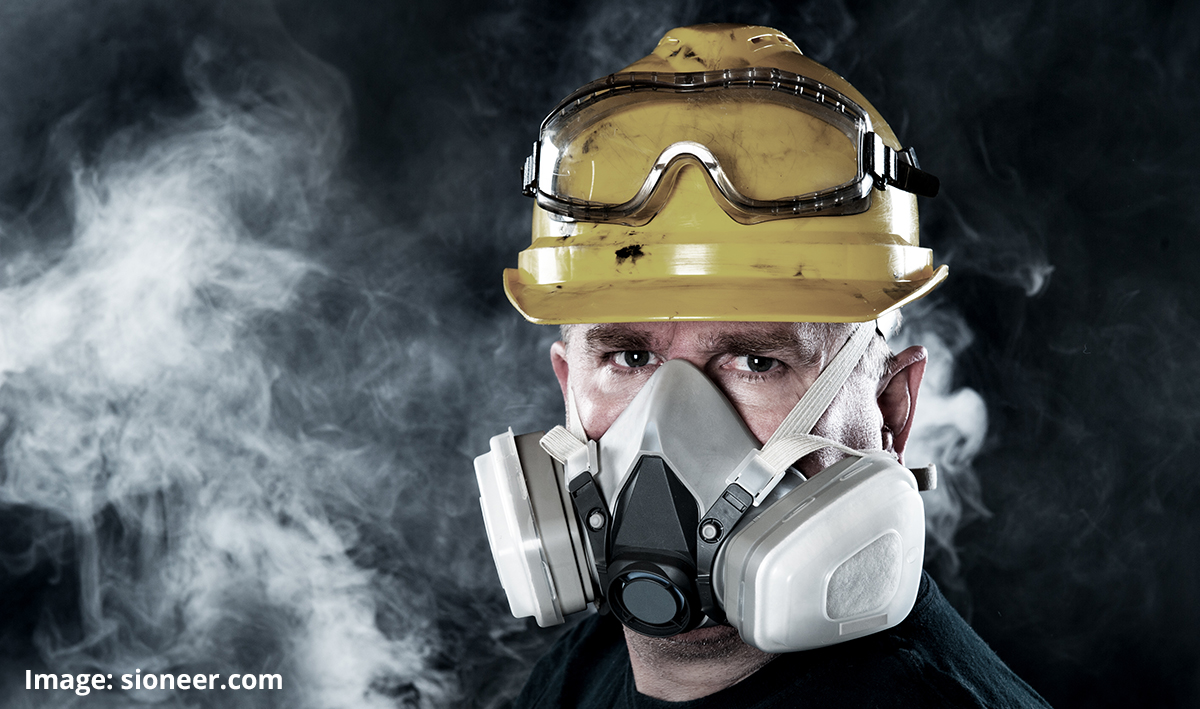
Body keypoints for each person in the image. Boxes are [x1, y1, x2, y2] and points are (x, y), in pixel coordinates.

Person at [478, 24, 1051, 707]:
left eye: (755, 361)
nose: (664, 426)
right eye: (629, 357)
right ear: (568, 384)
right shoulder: (579, 673)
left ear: (891, 411)